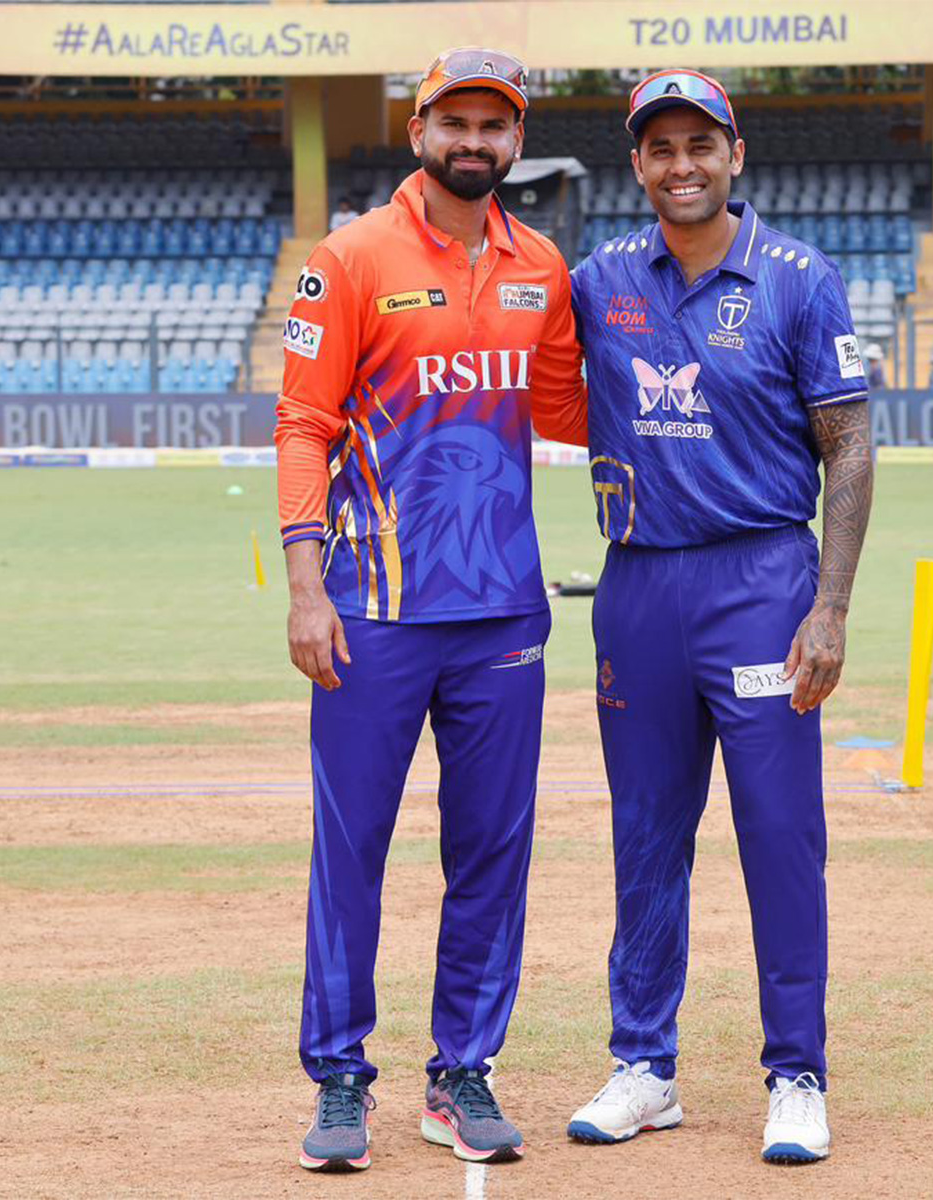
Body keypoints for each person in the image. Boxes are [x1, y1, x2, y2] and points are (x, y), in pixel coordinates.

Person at [275, 46, 588, 1173]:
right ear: (419, 133)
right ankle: (341, 1078)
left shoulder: (542, 267)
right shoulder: (350, 257)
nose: (474, 142)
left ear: (515, 144)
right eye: (454, 123)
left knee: (492, 854)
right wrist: (307, 586)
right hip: (372, 611)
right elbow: (304, 424)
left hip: (503, 613)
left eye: (493, 127)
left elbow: (566, 410)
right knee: (349, 852)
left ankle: (463, 1071)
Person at [563, 69, 873, 1166]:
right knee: (645, 835)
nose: (681, 165)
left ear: (734, 154)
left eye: (701, 144)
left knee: (780, 835)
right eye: (660, 148)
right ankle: (644, 1067)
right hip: (639, 586)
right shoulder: (599, 281)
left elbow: (847, 445)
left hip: (760, 585)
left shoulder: (797, 278)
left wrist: (827, 607)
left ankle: (796, 1073)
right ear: (636, 164)